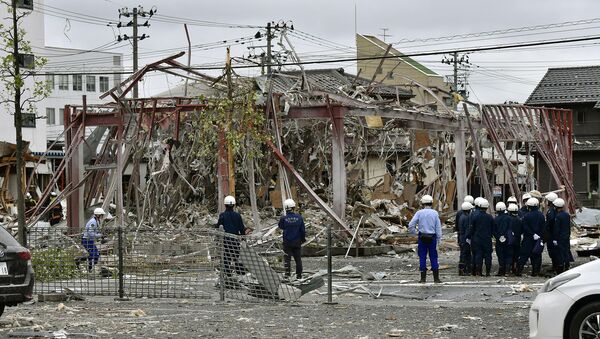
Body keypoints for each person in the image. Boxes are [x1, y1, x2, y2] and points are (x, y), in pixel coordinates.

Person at [409, 195, 443, 283]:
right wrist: (439, 239)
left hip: (422, 237)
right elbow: (438, 227)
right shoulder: (435, 213)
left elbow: (411, 225)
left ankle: (423, 278)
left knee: (422, 257)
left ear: (422, 203)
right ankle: (436, 278)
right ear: (431, 203)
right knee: (434, 257)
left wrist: (414, 233)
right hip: (432, 238)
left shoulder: (419, 213)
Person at [217, 195, 246, 276]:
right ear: (234, 204)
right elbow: (241, 228)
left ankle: (227, 273)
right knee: (237, 256)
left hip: (226, 240)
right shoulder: (237, 215)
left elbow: (218, 226)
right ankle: (240, 272)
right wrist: (243, 239)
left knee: (226, 256)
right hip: (236, 239)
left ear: (225, 204)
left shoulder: (222, 215)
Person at [516, 197, 545, 276]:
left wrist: (532, 234)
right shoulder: (541, 215)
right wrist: (540, 236)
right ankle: (535, 272)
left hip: (528, 238)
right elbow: (543, 227)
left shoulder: (527, 216)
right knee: (537, 255)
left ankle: (519, 271)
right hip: (538, 239)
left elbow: (525, 227)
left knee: (524, 255)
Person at [278, 199, 306, 280]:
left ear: (286, 208)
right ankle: (299, 275)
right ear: (293, 207)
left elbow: (281, 226)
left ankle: (287, 274)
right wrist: (303, 239)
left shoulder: (283, 218)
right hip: (297, 241)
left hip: (287, 242)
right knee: (298, 259)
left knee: (287, 258)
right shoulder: (299, 217)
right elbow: (302, 230)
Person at [467, 199, 494, 276]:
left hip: (477, 239)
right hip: (487, 239)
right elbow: (493, 228)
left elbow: (471, 228)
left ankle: (479, 272)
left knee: (478, 255)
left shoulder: (475, 217)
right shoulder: (490, 217)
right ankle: (488, 272)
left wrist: (468, 236)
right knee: (488, 255)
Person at [82, 208, 105, 272]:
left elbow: (94, 232)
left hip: (89, 240)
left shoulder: (96, 221)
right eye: (101, 215)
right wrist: (100, 235)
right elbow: (90, 233)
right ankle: (81, 261)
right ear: (98, 215)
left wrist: (99, 235)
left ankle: (90, 268)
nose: (102, 216)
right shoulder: (93, 222)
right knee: (95, 254)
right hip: (87, 240)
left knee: (95, 254)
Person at [493, 202, 512, 276]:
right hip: (507, 239)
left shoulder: (495, 219)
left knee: (500, 255)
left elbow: (494, 230)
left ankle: (501, 270)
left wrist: (499, 237)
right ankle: (507, 271)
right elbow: (510, 229)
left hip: (499, 240)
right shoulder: (509, 218)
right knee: (508, 254)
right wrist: (505, 236)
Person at [553, 198, 571, 274]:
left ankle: (560, 268)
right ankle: (567, 266)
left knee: (560, 253)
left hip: (560, 237)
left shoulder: (558, 216)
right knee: (566, 251)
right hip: (566, 236)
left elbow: (557, 229)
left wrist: (555, 239)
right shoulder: (567, 215)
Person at [457, 201, 474, 276]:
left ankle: (462, 269)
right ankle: (464, 270)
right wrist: (469, 237)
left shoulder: (461, 216)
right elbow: (467, 229)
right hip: (465, 237)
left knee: (463, 253)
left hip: (461, 236)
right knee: (466, 253)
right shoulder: (467, 217)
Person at [544, 192, 559, 273]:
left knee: (552, 250)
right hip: (552, 233)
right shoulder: (553, 210)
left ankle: (555, 266)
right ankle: (555, 266)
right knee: (552, 250)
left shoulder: (551, 211)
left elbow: (550, 221)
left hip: (551, 233)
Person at [507, 203, 523, 275]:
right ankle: (515, 268)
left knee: (509, 254)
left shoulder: (508, 219)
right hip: (517, 239)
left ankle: (508, 269)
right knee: (516, 255)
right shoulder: (519, 220)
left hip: (509, 240)